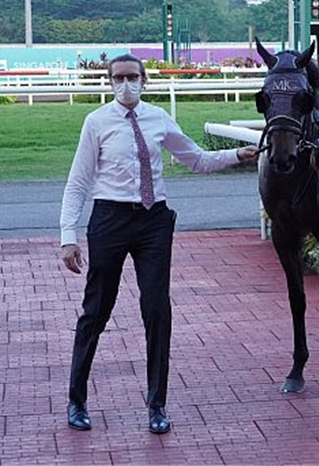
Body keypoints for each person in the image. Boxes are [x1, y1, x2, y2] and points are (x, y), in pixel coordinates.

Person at [60, 53, 259, 434]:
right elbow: (78, 182)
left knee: (157, 311)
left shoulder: (157, 118)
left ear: (144, 79)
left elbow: (195, 160)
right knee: (96, 310)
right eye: (118, 78)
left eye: (132, 77)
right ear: (109, 82)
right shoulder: (97, 122)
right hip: (110, 219)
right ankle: (77, 399)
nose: (125, 84)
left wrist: (236, 155)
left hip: (153, 221)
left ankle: (157, 404)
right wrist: (68, 237)